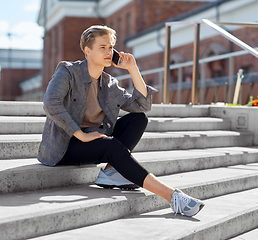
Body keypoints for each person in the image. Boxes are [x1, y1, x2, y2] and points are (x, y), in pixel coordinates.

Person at [37, 25, 204, 217]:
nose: (109, 52)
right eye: (103, 47)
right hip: (65, 146)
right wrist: (80, 135)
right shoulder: (67, 72)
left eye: (111, 47)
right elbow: (51, 103)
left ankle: (110, 172)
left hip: (95, 140)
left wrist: (133, 69)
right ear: (87, 50)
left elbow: (141, 106)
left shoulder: (109, 84)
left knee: (138, 119)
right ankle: (173, 197)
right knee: (112, 146)